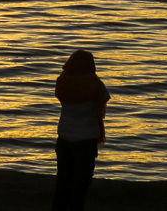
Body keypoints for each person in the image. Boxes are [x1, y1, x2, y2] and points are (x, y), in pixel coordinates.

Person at [52, 47, 110, 211]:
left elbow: (58, 95)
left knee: (63, 181)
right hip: (86, 139)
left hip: (64, 137)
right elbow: (104, 100)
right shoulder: (94, 83)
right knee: (81, 184)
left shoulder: (62, 81)